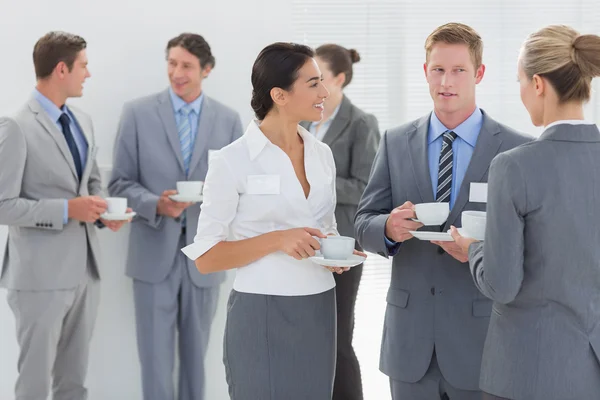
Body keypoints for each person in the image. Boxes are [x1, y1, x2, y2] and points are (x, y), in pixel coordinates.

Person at [354, 22, 531, 400]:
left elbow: (531, 244)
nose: (446, 81)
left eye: (458, 70)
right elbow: (362, 222)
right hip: (409, 344)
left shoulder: (516, 149)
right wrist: (387, 227)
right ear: (425, 72)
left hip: (480, 341)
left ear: (479, 74)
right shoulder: (395, 141)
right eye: (438, 69)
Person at [182, 42, 365, 399]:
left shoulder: (321, 154)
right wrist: (278, 240)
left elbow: (326, 228)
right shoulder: (232, 161)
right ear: (279, 95)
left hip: (319, 309)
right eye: (313, 83)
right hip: (261, 312)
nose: (324, 92)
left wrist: (336, 254)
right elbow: (206, 258)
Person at [451, 24, 600, 400]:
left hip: (525, 373)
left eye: (519, 81)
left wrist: (473, 249)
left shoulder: (514, 166)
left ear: (538, 84)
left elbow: (502, 284)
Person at [108, 33, 243, 400]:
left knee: (197, 363)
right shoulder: (137, 114)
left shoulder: (229, 121)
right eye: (171, 63)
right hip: (152, 256)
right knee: (154, 362)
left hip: (205, 258)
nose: (176, 72)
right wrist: (155, 203)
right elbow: (119, 183)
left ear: (207, 70)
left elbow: (240, 190)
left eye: (186, 66)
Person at [0, 31, 129, 399]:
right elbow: (2, 205)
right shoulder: (16, 126)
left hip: (85, 272)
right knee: (35, 383)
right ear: (61, 69)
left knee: (74, 382)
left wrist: (103, 213)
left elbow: (91, 183)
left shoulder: (82, 121)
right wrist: (67, 210)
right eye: (83, 66)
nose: (88, 74)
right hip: (39, 278)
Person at [300, 43, 380, 400]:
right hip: (305, 245)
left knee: (338, 340)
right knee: (309, 338)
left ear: (340, 79)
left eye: (320, 77)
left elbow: (366, 188)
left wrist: (314, 179)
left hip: (342, 248)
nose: (312, 83)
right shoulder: (301, 121)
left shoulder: (362, 123)